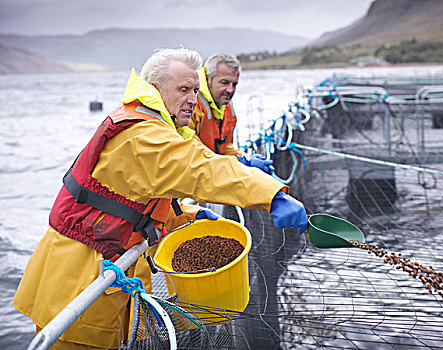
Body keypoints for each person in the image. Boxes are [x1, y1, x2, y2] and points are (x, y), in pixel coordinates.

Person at [13, 48, 308, 350]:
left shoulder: (153, 126)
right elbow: (200, 169)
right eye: (183, 89)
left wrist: (188, 216)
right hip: (76, 285)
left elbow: (131, 199)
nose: (193, 99)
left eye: (195, 90)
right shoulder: (145, 136)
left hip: (100, 272)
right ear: (155, 89)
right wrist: (272, 196)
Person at [189, 53, 274, 174]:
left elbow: (227, 149)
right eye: (224, 82)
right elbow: (192, 154)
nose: (230, 90)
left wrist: (246, 158)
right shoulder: (190, 104)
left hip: (217, 171)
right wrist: (240, 162)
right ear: (208, 79)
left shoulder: (227, 107)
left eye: (234, 84)